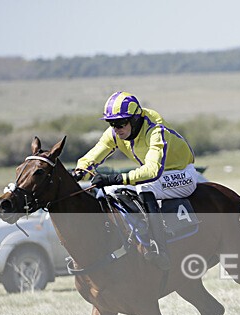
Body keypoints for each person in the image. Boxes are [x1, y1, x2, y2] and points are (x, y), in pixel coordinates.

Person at [73, 91, 203, 270]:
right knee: (112, 192)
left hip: (182, 175)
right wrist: (80, 172)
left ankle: (159, 248)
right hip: (159, 177)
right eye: (111, 123)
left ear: (135, 120)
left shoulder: (155, 130)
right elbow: (95, 154)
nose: (116, 129)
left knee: (144, 187)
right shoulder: (115, 133)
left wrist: (116, 178)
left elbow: (152, 171)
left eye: (120, 123)